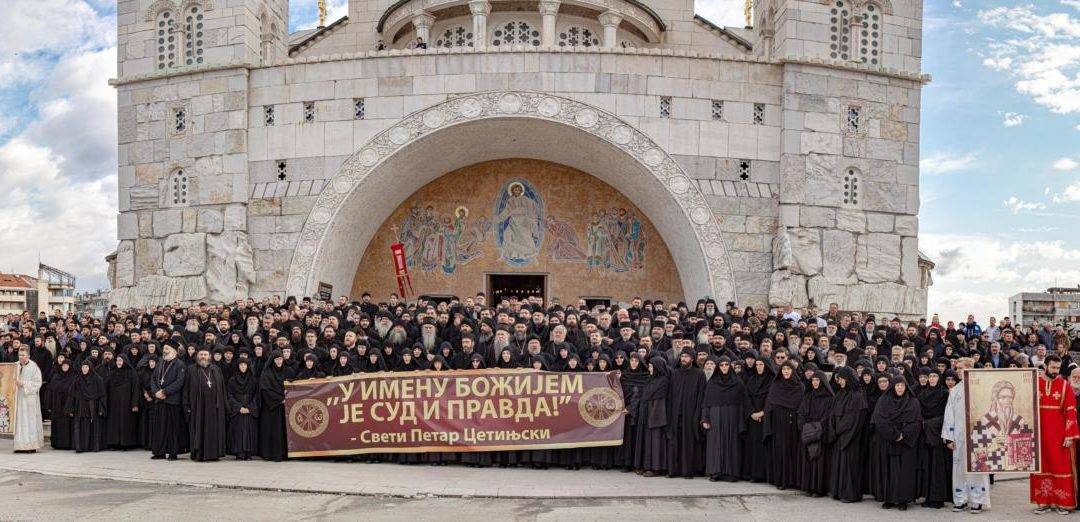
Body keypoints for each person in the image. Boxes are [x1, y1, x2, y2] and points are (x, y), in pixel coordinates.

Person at [1031, 355, 1080, 514]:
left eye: (1058, 368)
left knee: (1060, 467)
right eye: (1052, 367)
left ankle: (1062, 503)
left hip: (1059, 436)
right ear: (1045, 366)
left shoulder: (1065, 385)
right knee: (1042, 466)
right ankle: (1043, 502)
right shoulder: (1034, 383)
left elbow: (1071, 411)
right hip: (1039, 435)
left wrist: (1070, 435)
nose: (1055, 371)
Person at [941, 358, 989, 514]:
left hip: (978, 435)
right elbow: (949, 414)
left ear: (970, 368)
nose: (958, 371)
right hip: (959, 435)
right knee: (959, 468)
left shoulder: (981, 388)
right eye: (957, 369)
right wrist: (949, 437)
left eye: (961, 368)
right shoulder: (955, 390)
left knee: (977, 467)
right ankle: (960, 499)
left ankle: (977, 500)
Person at [870, 377, 922, 511]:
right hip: (888, 441)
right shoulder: (883, 400)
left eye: (902, 385)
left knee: (904, 472)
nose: (900, 388)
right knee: (888, 471)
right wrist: (894, 434)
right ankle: (889, 499)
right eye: (897, 385)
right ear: (893, 386)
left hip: (906, 443)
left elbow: (916, 423)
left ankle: (903, 500)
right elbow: (879, 421)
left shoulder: (913, 402)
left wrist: (903, 434)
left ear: (906, 387)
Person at [701, 356, 748, 482]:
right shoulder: (712, 383)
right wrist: (705, 419)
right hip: (715, 416)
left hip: (733, 416)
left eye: (726, 365)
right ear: (718, 367)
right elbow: (706, 402)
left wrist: (741, 421)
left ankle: (731, 472)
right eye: (721, 365)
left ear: (730, 366)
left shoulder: (738, 383)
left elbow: (743, 403)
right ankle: (715, 472)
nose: (724, 367)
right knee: (716, 443)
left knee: (731, 443)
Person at [828, 366, 866, 503]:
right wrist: (833, 428)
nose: (840, 381)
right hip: (839, 435)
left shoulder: (857, 396)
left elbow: (854, 419)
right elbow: (832, 413)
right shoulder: (840, 394)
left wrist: (839, 430)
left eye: (842, 379)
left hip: (850, 437)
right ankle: (838, 491)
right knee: (839, 464)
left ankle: (849, 494)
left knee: (849, 466)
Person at [764, 360, 803, 489]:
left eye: (788, 369)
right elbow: (769, 404)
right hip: (778, 422)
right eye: (784, 369)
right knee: (780, 449)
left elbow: (801, 406)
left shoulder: (799, 387)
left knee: (792, 450)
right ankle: (781, 480)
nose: (786, 371)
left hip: (793, 423)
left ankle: (793, 480)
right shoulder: (776, 385)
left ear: (793, 371)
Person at [667, 348, 705, 478]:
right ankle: (673, 470)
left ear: (692, 359)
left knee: (688, 442)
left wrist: (697, 414)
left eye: (686, 357)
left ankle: (687, 471)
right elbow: (670, 395)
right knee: (674, 441)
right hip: (675, 413)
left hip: (691, 414)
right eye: (682, 356)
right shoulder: (675, 374)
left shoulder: (699, 374)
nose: (683, 359)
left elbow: (701, 396)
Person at [184, 347, 227, 461]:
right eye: (201, 354)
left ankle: (213, 454)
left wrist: (224, 406)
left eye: (205, 354)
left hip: (214, 407)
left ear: (210, 357)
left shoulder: (216, 369)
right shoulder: (191, 369)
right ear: (197, 356)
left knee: (213, 430)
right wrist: (186, 406)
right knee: (199, 430)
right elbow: (186, 390)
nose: (203, 356)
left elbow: (222, 389)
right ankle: (199, 454)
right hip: (198, 407)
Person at [917, 368, 951, 508]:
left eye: (934, 376)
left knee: (937, 466)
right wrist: (923, 423)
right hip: (925, 435)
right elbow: (919, 413)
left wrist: (930, 424)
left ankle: (938, 498)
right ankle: (928, 497)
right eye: (930, 376)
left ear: (939, 378)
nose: (931, 379)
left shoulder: (944, 394)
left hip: (938, 434)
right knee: (927, 465)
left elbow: (947, 415)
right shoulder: (922, 395)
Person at [798, 370, 833, 497]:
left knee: (819, 461)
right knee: (808, 460)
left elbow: (828, 416)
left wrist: (817, 427)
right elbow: (801, 413)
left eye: (817, 380)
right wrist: (805, 426)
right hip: (808, 431)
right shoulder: (808, 396)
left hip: (821, 433)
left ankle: (819, 489)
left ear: (822, 381)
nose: (815, 382)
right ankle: (808, 487)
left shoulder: (830, 398)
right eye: (813, 380)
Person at [150, 344, 186, 461]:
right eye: (164, 349)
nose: (164, 351)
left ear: (174, 351)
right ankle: (159, 452)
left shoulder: (180, 364)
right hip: (159, 400)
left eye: (167, 349)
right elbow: (153, 379)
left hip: (172, 401)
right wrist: (156, 392)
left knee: (172, 428)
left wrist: (164, 392)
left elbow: (179, 382)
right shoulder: (160, 362)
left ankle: (172, 452)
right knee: (159, 428)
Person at [104, 355, 141, 449]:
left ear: (125, 361)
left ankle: (126, 444)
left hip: (127, 403)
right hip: (114, 403)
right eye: (117, 360)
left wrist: (135, 404)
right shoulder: (112, 372)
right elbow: (106, 387)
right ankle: (115, 443)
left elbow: (136, 389)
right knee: (114, 423)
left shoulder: (132, 373)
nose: (118, 362)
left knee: (126, 422)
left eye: (120, 360)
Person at [69, 359, 106, 453]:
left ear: (90, 368)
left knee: (93, 426)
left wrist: (101, 408)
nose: (84, 369)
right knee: (80, 426)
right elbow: (72, 394)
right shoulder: (78, 380)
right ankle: (80, 447)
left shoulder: (97, 379)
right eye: (83, 367)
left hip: (93, 406)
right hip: (80, 406)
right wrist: (71, 408)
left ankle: (93, 446)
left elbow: (102, 395)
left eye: (86, 367)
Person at [226, 355, 259, 460]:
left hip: (250, 410)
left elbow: (256, 395)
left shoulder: (253, 380)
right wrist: (239, 407)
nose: (243, 367)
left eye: (245, 365)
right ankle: (239, 453)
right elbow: (229, 395)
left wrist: (250, 407)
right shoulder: (232, 380)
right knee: (238, 431)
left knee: (249, 431)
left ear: (248, 366)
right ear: (238, 366)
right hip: (237, 410)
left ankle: (248, 453)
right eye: (241, 365)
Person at [258, 351, 290, 462]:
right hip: (271, 408)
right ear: (273, 361)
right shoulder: (266, 373)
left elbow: (293, 385)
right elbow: (265, 390)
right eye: (277, 360)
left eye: (280, 359)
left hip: (285, 408)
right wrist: (280, 399)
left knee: (283, 431)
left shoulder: (287, 370)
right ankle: (271, 454)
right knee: (272, 431)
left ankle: (284, 454)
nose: (279, 361)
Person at [13, 347, 44, 452]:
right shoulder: (15, 365)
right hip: (18, 398)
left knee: (30, 421)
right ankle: (19, 446)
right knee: (19, 422)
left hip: (29, 398)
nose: (21, 357)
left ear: (28, 356)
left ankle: (31, 446)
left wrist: (23, 383)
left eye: (23, 355)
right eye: (19, 355)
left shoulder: (33, 367)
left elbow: (37, 383)